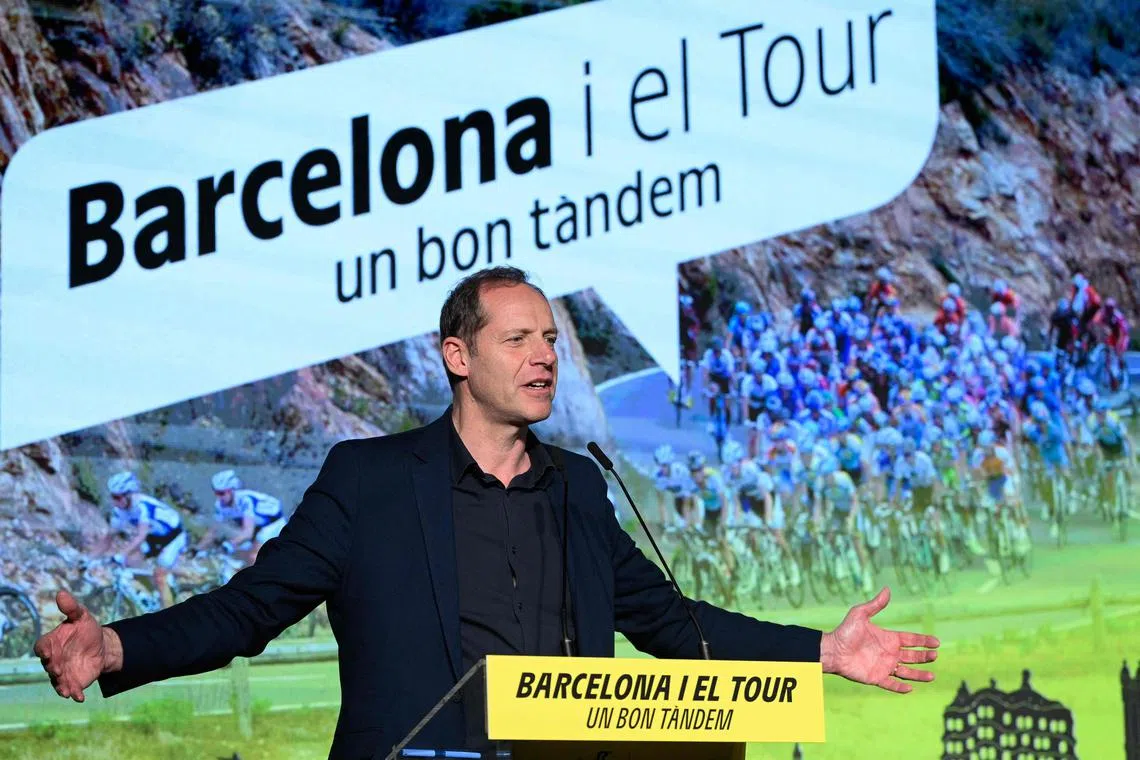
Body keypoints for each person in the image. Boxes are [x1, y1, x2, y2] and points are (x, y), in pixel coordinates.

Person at [35, 267, 938, 758]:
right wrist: (115, 647)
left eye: (549, 339)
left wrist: (822, 652)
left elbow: (672, 625)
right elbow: (249, 609)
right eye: (518, 339)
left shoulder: (579, 487)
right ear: (458, 356)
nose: (544, 356)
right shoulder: (369, 481)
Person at [88, 472, 186, 609]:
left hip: (173, 537)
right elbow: (109, 537)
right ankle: (151, 594)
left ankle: (169, 609)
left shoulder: (142, 505)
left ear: (128, 495)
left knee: (160, 574)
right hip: (154, 537)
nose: (114, 501)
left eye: (117, 497)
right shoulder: (119, 510)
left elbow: (141, 536)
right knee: (131, 560)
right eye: (112, 497)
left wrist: (120, 554)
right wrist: (89, 558)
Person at [194, 470, 287, 565]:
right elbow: (213, 531)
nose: (219, 497)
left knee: (254, 556)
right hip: (257, 525)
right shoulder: (219, 505)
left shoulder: (245, 500)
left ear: (231, 491)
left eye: (222, 493)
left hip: (273, 523)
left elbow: (248, 533)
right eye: (216, 493)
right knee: (241, 554)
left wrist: (230, 544)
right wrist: (197, 549)